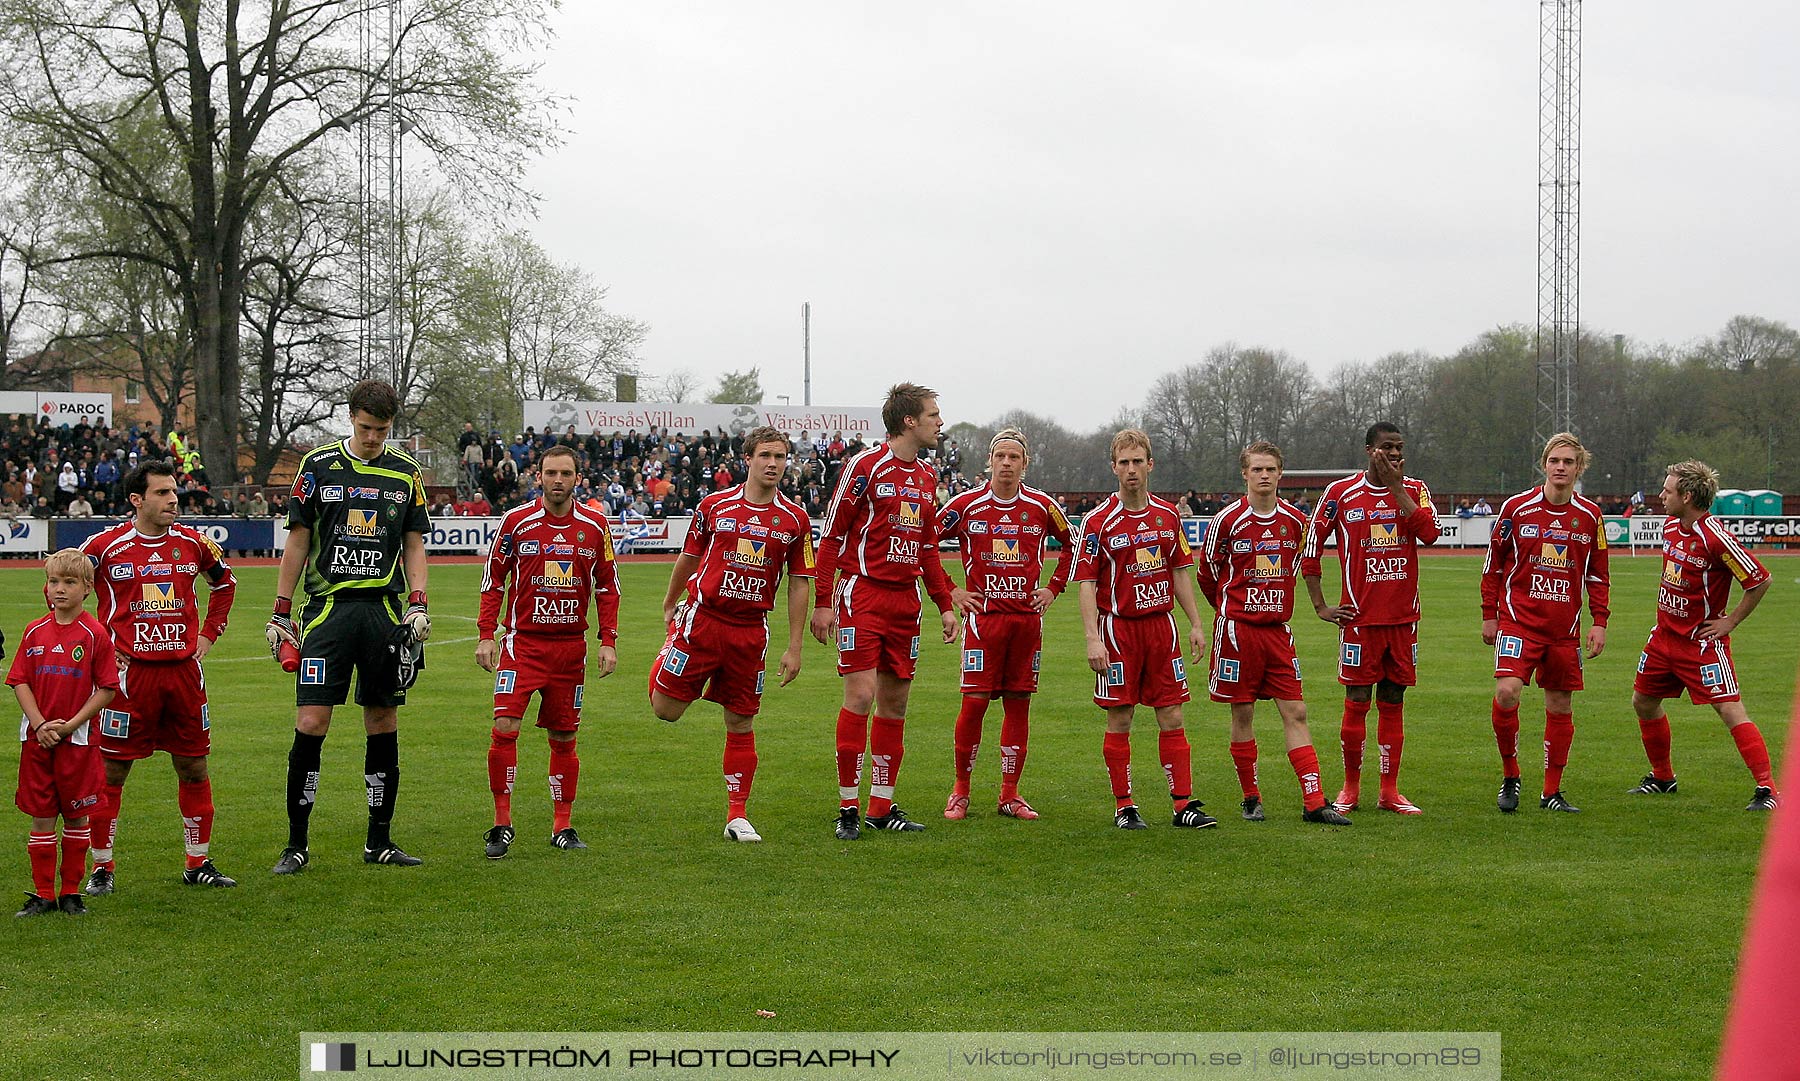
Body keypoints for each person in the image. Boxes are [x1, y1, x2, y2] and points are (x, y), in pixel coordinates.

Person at [264, 380, 432, 873]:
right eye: (365, 428)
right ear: (350, 418)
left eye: (381, 430)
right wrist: (280, 609)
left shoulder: (406, 473)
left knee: (382, 720)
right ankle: (296, 844)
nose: (373, 437)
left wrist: (418, 604)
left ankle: (378, 840)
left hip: (382, 611)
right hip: (327, 612)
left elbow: (414, 543)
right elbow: (297, 541)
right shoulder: (316, 467)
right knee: (312, 721)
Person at [78, 461, 239, 892]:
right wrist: (101, 648)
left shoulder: (194, 543)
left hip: (185, 675)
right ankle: (102, 868)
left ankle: (197, 863)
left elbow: (225, 585)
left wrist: (208, 633)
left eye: (174, 493)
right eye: (163, 493)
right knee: (111, 773)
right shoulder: (105, 546)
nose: (173, 500)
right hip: (128, 681)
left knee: (193, 766)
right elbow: (65, 587)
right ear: (137, 499)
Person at [650, 426, 813, 842]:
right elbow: (689, 556)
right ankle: (668, 653)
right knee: (664, 711)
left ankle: (737, 815)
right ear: (748, 460)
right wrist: (671, 602)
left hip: (749, 632)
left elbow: (799, 583)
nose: (773, 463)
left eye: (779, 456)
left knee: (741, 720)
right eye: (765, 456)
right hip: (703, 621)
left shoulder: (795, 521)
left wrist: (795, 647)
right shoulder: (714, 506)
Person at [810, 383, 957, 839]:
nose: (940, 422)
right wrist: (822, 602)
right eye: (933, 414)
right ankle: (848, 808)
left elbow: (928, 547)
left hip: (905, 602)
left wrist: (944, 605)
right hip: (863, 594)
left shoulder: (928, 478)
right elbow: (831, 537)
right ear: (909, 420)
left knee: (895, 704)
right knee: (861, 696)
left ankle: (881, 806)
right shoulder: (864, 467)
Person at [475, 445, 619, 858]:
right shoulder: (516, 522)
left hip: (570, 650)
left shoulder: (594, 526)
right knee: (504, 727)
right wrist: (487, 633)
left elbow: (608, 587)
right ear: (538, 477)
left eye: (566, 473)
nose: (558, 480)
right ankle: (502, 824)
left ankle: (563, 825)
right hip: (523, 646)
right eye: (551, 473)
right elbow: (494, 581)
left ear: (578, 478)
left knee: (565, 735)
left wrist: (608, 641)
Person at [1200, 442, 1351, 826]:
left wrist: (1319, 606)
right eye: (1257, 470)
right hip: (1237, 633)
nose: (1264, 475)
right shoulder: (1227, 521)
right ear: (1245, 475)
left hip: (1278, 632)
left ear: (1281, 473)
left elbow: (1304, 566)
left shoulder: (1296, 523)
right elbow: (1207, 573)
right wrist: (1228, 609)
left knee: (1296, 710)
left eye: (1270, 469)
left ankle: (1314, 802)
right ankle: (1251, 798)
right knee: (1243, 711)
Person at [1075, 429, 1217, 830]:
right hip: (1118, 632)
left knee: (1172, 715)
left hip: (1162, 629)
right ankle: (1125, 806)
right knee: (1120, 718)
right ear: (1113, 468)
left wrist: (1194, 623)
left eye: (1138, 461)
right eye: (1124, 462)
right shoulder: (1097, 522)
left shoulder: (1169, 516)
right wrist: (1092, 638)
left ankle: (1183, 806)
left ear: (1150, 465)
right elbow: (1086, 583)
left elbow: (1179, 572)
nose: (1131, 469)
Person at [1301, 422, 1439, 814]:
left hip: (1402, 620)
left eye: (1399, 448)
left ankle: (1390, 791)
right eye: (1386, 448)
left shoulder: (1415, 489)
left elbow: (1430, 533)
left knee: (1394, 700)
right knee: (1357, 699)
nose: (1394, 454)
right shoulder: (1340, 493)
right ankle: (1350, 788)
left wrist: (1396, 488)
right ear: (1369, 451)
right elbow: (1310, 550)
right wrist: (1321, 606)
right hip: (1359, 622)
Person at [935, 428, 1072, 821]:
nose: (1007, 463)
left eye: (1014, 457)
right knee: (974, 705)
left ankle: (1009, 794)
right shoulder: (966, 505)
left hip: (1026, 624)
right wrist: (952, 592)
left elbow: (1075, 545)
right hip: (984, 622)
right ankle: (961, 789)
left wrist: (1053, 588)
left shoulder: (1042, 507)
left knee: (1018, 706)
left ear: (1025, 464)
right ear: (990, 461)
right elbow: (924, 542)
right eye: (1001, 456)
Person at [1627, 460, 1777, 809]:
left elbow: (1760, 580)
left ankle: (1768, 789)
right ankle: (1663, 778)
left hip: (1700, 643)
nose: (1661, 495)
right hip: (1663, 637)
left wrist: (1730, 622)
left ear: (1688, 495)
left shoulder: (1715, 536)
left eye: (1667, 489)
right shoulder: (1670, 527)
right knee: (1644, 702)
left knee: (1729, 710)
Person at [1479, 433, 1610, 813]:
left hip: (1563, 631)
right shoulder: (1516, 508)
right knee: (1507, 693)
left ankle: (1551, 791)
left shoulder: (1590, 517)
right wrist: (1490, 614)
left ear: (1578, 468)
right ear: (1544, 464)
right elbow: (1493, 565)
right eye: (1555, 460)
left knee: (1560, 705)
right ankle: (1511, 776)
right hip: (1518, 622)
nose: (1561, 467)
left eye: (1569, 462)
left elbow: (1598, 575)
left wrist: (1599, 622)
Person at [11, 550, 118, 916]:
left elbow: (106, 687)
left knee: (76, 816)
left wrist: (70, 724)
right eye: (54, 581)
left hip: (78, 741)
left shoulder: (95, 633)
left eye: (69, 582)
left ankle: (71, 892)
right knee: (42, 816)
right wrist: (40, 724)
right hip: (37, 740)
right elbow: (19, 681)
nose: (59, 589)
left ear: (87, 588)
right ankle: (43, 893)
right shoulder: (34, 631)